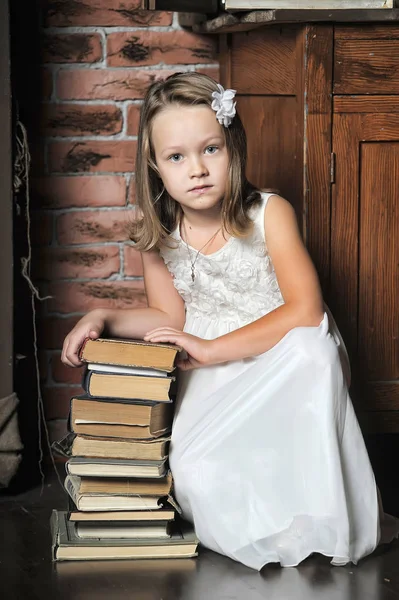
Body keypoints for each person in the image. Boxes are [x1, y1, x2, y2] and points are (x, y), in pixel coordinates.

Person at [61, 72, 399, 570]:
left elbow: (305, 311)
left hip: (282, 358)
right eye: (177, 157)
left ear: (232, 147)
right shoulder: (159, 238)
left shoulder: (269, 213)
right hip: (214, 372)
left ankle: (319, 521)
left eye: (210, 150)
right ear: (155, 165)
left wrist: (211, 349)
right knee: (196, 471)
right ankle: (265, 520)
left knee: (315, 346)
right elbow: (169, 316)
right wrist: (102, 313)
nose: (196, 169)